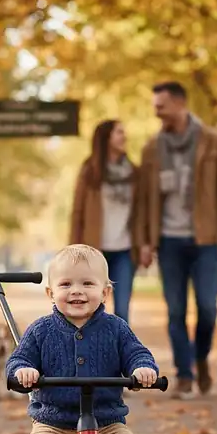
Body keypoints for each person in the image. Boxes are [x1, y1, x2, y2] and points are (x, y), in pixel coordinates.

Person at [6, 244, 166, 434]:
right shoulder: (41, 331)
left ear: (105, 292)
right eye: (66, 284)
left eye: (87, 284)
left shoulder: (116, 329)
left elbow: (137, 353)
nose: (76, 291)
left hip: (105, 424)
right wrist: (24, 371)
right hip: (54, 424)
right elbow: (17, 361)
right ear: (50, 293)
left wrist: (144, 368)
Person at [139, 81, 217, 399]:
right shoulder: (152, 147)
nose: (157, 112)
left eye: (161, 106)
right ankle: (184, 374)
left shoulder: (212, 141)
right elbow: (144, 198)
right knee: (175, 311)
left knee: (208, 308)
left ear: (180, 104)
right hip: (168, 240)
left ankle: (200, 357)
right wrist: (145, 241)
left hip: (206, 238)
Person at [69, 120, 146, 324]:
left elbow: (141, 213)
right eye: (119, 132)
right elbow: (77, 213)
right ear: (106, 138)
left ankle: (119, 355)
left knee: (122, 310)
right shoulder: (89, 171)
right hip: (94, 251)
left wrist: (145, 243)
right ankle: (89, 354)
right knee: (90, 309)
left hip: (125, 250)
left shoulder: (134, 173)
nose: (124, 137)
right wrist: (72, 250)